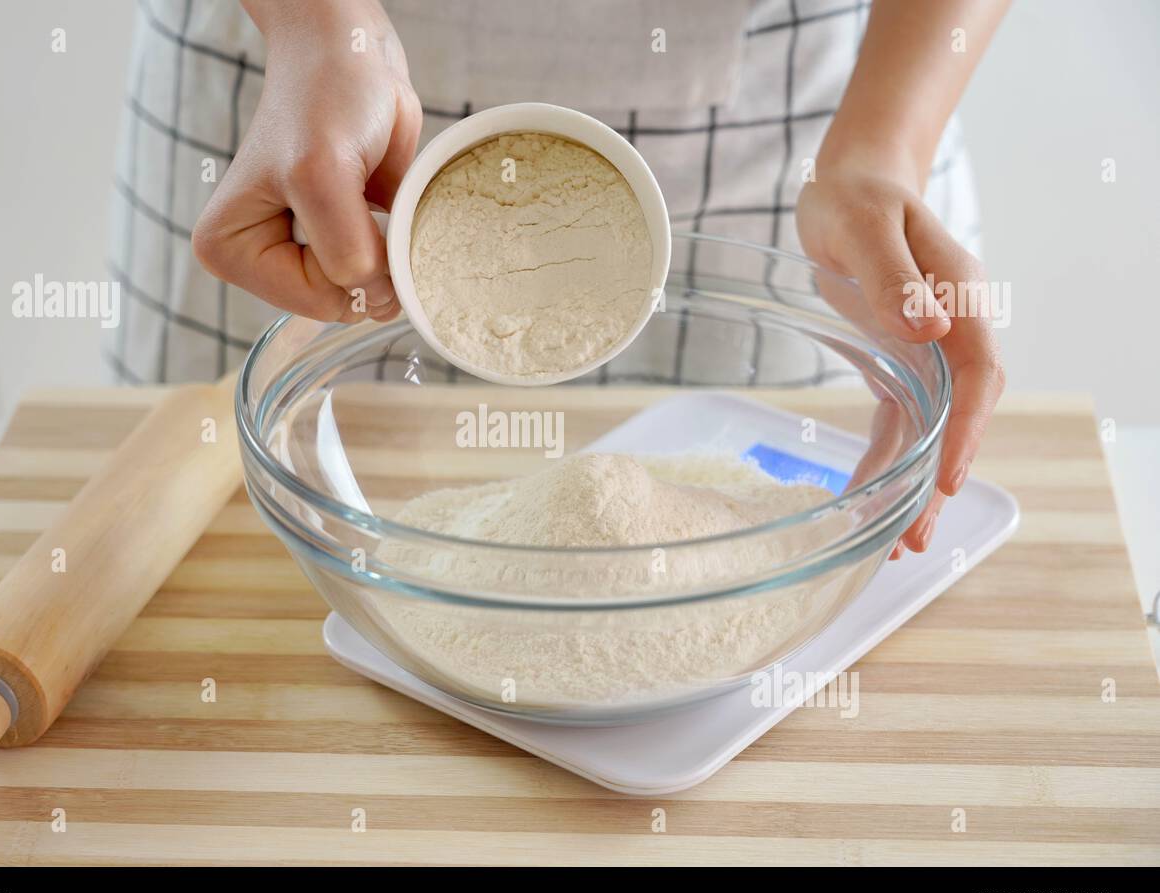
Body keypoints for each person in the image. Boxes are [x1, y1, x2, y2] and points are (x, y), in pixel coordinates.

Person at [106, 0, 1007, 557]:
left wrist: (882, 152)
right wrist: (316, 25)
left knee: (767, 521)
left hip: (800, 123)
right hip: (302, 99)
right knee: (216, 553)